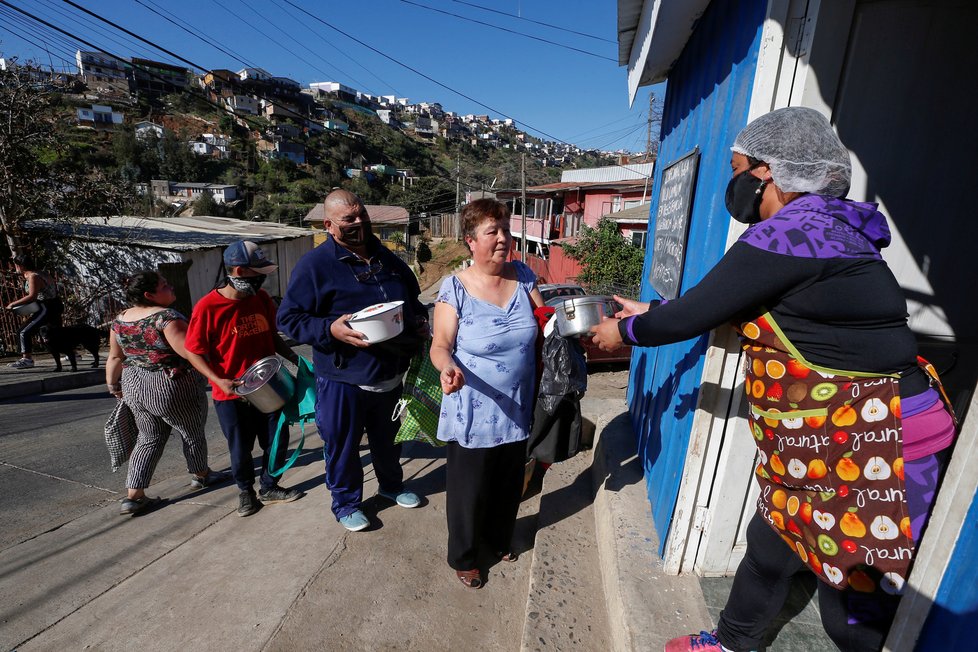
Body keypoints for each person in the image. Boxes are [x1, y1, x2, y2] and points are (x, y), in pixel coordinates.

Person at [591, 107, 956, 652]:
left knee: (853, 610)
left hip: (881, 446)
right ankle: (732, 643)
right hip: (825, 443)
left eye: (738, 169)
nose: (734, 184)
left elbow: (697, 314)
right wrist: (650, 308)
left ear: (770, 173)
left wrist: (628, 332)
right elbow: (746, 306)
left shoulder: (794, 233)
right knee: (769, 548)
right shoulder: (831, 228)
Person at [277, 190, 426, 532]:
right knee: (342, 445)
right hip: (343, 377)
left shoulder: (388, 259)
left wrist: (418, 321)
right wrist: (330, 328)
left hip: (389, 372)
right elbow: (288, 319)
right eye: (349, 219)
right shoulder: (315, 266)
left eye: (362, 215)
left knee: (389, 439)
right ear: (329, 225)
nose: (359, 222)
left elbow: (414, 301)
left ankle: (391, 486)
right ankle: (346, 503)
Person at [429, 198, 545, 589]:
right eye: (491, 232)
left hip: (517, 406)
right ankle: (464, 556)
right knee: (469, 489)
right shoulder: (454, 288)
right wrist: (447, 368)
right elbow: (440, 344)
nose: (502, 239)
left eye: (505, 230)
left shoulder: (525, 276)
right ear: (470, 241)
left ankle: (497, 540)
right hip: (473, 409)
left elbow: (545, 327)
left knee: (507, 483)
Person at [184, 241, 304, 518]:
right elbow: (193, 351)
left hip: (270, 385)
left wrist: (296, 361)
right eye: (257, 273)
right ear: (237, 271)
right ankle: (245, 492)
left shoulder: (260, 299)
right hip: (232, 392)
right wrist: (218, 379)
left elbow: (272, 337)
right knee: (240, 447)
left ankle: (270, 486)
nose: (262, 279)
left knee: (276, 439)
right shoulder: (207, 308)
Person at [106, 271, 228, 515]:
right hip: (169, 383)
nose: (171, 287)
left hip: (133, 384)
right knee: (191, 430)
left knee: (148, 437)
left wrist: (113, 385)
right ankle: (201, 474)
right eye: (164, 286)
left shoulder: (120, 319)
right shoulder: (167, 318)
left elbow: (115, 356)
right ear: (149, 294)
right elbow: (189, 352)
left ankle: (134, 496)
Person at [5, 255, 63, 369]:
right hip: (55, 304)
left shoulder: (33, 277)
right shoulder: (42, 273)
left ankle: (27, 359)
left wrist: (13, 304)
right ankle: (73, 354)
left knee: (23, 331)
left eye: (16, 265)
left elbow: (32, 296)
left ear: (21, 266)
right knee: (56, 332)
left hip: (46, 306)